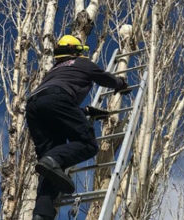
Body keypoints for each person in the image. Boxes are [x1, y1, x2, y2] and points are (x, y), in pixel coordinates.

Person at [26, 35, 130, 220]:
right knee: (87, 145)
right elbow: (104, 78)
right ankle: (51, 160)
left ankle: (42, 214)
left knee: (50, 169)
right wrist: (121, 84)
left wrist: (86, 111)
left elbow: (53, 102)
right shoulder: (83, 63)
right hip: (57, 99)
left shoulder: (54, 70)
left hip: (34, 106)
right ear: (75, 50)